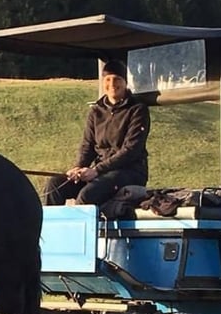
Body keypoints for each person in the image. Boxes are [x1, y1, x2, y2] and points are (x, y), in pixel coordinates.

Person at [43, 59, 151, 207]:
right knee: (54, 185)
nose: (112, 84)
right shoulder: (96, 111)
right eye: (108, 79)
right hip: (101, 172)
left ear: (126, 82)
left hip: (129, 172)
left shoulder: (138, 110)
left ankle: (81, 229)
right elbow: (88, 145)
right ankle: (51, 230)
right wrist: (79, 168)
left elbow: (131, 150)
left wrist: (97, 170)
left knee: (88, 195)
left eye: (117, 79)